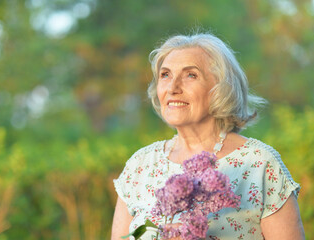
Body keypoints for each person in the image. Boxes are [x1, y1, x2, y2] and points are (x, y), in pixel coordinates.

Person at [111, 32, 305, 240]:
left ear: (221, 88)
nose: (172, 88)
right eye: (165, 75)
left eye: (190, 75)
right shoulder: (140, 165)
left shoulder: (259, 164)